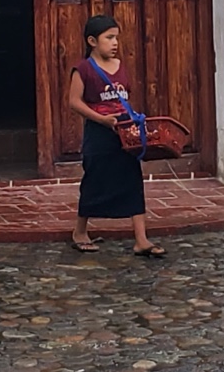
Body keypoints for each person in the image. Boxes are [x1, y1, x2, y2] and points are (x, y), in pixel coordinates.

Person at [68, 15, 165, 258]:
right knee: (95, 179)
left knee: (132, 180)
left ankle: (141, 239)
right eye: (109, 38)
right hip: (99, 133)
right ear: (92, 41)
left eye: (116, 38)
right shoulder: (83, 69)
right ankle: (80, 232)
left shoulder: (120, 66)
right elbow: (74, 102)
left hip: (124, 132)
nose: (114, 43)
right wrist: (101, 119)